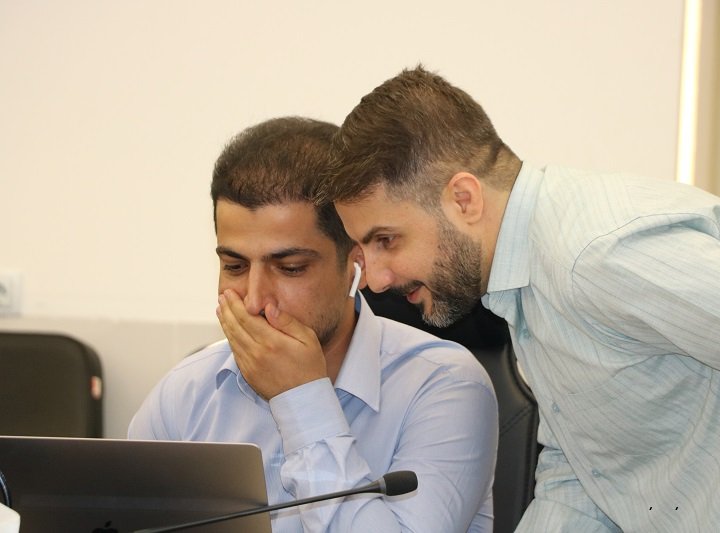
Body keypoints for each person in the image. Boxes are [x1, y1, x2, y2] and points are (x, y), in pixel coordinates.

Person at [315, 66, 720, 532]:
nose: (375, 280)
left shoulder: (596, 257)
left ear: (464, 200)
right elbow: (586, 475)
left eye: (387, 240)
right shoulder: (526, 282)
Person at [128, 116, 499, 532]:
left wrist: (300, 400)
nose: (254, 300)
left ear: (356, 264)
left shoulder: (443, 386)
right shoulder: (188, 392)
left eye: (289, 268)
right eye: (234, 266)